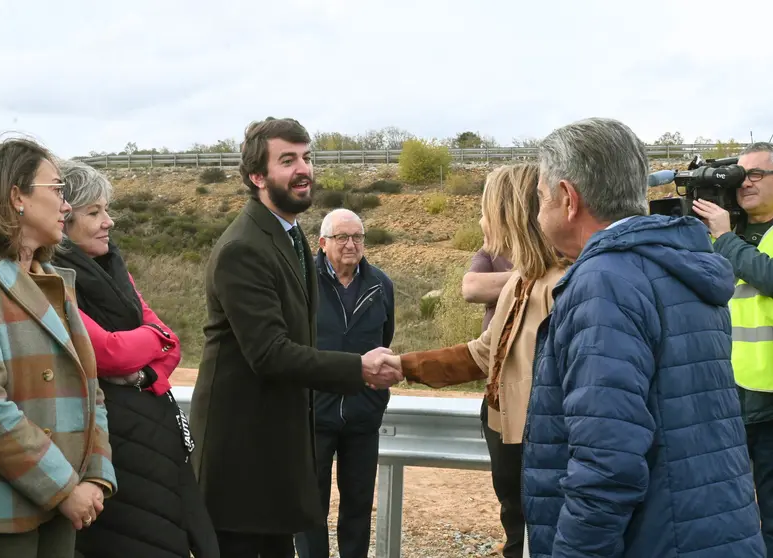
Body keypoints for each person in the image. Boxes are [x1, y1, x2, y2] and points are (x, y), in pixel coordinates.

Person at [522, 116, 765, 557]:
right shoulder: (678, 265)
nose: (538, 214)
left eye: (540, 199)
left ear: (567, 199)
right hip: (713, 531)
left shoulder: (605, 281)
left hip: (657, 539)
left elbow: (606, 464)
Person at [189, 117, 401, 558]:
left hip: (276, 459)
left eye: (306, 157)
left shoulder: (290, 239)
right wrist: (357, 368)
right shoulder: (242, 248)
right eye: (288, 160)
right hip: (243, 466)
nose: (303, 168)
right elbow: (269, 353)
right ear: (257, 176)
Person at [0, 138, 117, 558]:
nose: (66, 205)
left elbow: (91, 391)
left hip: (58, 508)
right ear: (17, 195)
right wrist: (65, 488)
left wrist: (95, 478)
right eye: (57, 189)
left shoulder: (53, 278)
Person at [382, 162, 567, 558]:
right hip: (518, 474)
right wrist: (404, 366)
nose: (480, 222)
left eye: (484, 211)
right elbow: (484, 353)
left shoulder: (560, 288)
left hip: (545, 471)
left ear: (506, 215)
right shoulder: (520, 284)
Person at [51, 160, 219, 558]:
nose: (108, 221)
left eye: (106, 210)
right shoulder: (53, 278)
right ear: (64, 220)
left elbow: (172, 342)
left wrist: (143, 374)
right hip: (111, 445)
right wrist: (146, 352)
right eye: (94, 212)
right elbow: (105, 351)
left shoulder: (114, 270)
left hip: (153, 437)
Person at [294, 208, 395, 558]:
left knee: (357, 506)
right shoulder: (302, 281)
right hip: (313, 413)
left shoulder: (381, 285)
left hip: (363, 413)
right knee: (310, 510)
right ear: (322, 243)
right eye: (341, 237)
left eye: (357, 237)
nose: (351, 244)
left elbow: (386, 337)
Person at [692, 141, 773, 554]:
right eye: (742, 174)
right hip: (730, 391)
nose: (746, 182)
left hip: (771, 397)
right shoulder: (731, 233)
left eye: (758, 174)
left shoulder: (730, 236)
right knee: (725, 505)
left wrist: (723, 237)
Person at [462, 246, 514, 556]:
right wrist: (528, 277)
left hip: (529, 398)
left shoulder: (552, 243)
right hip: (496, 391)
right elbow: (471, 287)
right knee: (508, 491)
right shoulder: (490, 249)